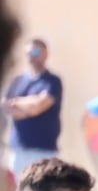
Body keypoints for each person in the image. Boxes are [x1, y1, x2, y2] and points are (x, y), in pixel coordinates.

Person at [3, 37, 62, 177]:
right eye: (28, 53)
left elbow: (40, 106)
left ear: (45, 54)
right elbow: (5, 106)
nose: (32, 57)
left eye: (35, 52)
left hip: (43, 150)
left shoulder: (52, 81)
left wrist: (17, 103)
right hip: (18, 150)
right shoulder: (17, 81)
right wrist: (29, 105)